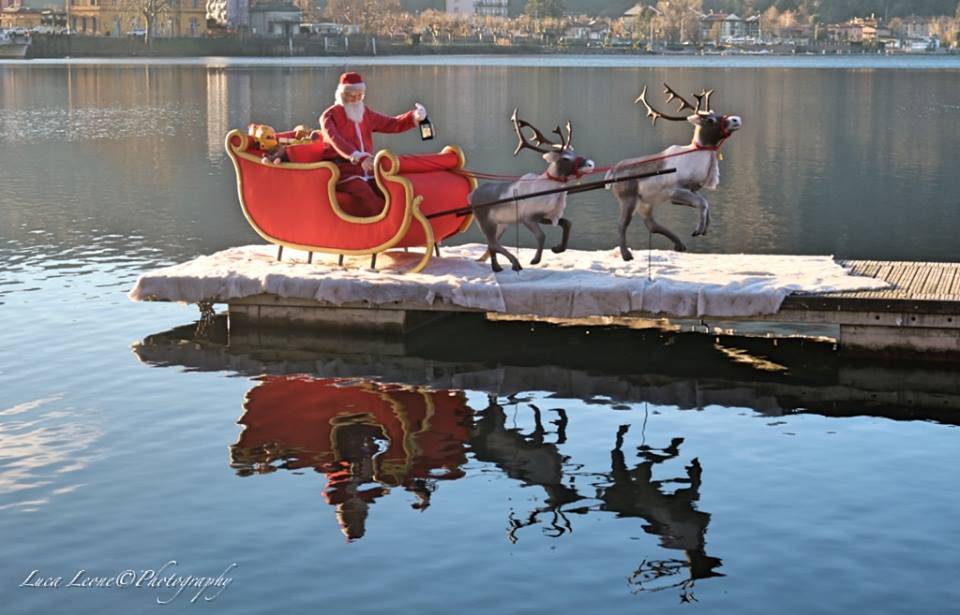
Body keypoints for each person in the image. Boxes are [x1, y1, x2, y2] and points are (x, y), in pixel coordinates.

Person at [320, 71, 427, 217]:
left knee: (391, 187)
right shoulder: (329, 116)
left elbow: (391, 124)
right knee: (363, 191)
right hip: (342, 172)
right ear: (342, 94)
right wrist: (357, 156)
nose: (356, 99)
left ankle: (406, 218)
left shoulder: (365, 113)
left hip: (368, 170)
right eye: (352, 95)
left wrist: (414, 116)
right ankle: (383, 225)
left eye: (360, 96)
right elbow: (335, 139)